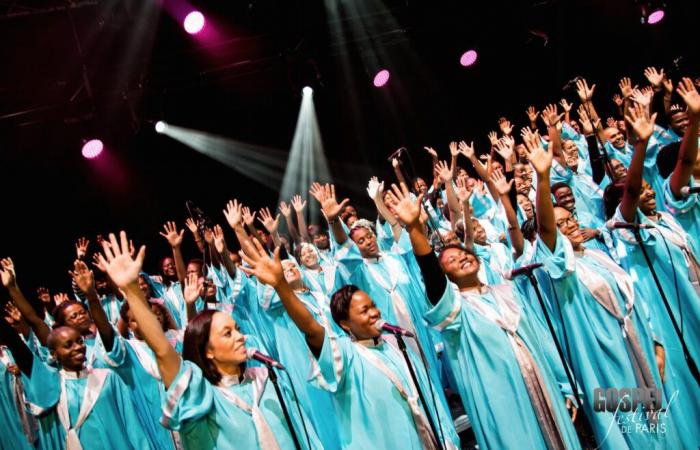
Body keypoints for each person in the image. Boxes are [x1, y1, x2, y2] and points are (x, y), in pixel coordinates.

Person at [385, 182, 581, 450]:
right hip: (503, 402)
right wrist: (414, 230)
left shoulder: (508, 292)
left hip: (543, 386)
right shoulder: (454, 313)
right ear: (447, 277)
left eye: (461, 255)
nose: (459, 260)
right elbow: (432, 275)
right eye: (450, 262)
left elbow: (543, 340)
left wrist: (565, 383)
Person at [97, 231, 321, 450]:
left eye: (237, 329)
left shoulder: (268, 382)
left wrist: (281, 284)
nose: (240, 337)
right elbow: (164, 351)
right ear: (208, 351)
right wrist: (132, 290)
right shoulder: (202, 398)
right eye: (227, 333)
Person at [239, 236, 459, 450]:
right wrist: (281, 286)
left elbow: (426, 397)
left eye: (373, 306)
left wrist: (446, 437)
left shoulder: (395, 344)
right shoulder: (345, 355)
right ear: (345, 323)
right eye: (364, 311)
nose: (374, 313)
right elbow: (312, 330)